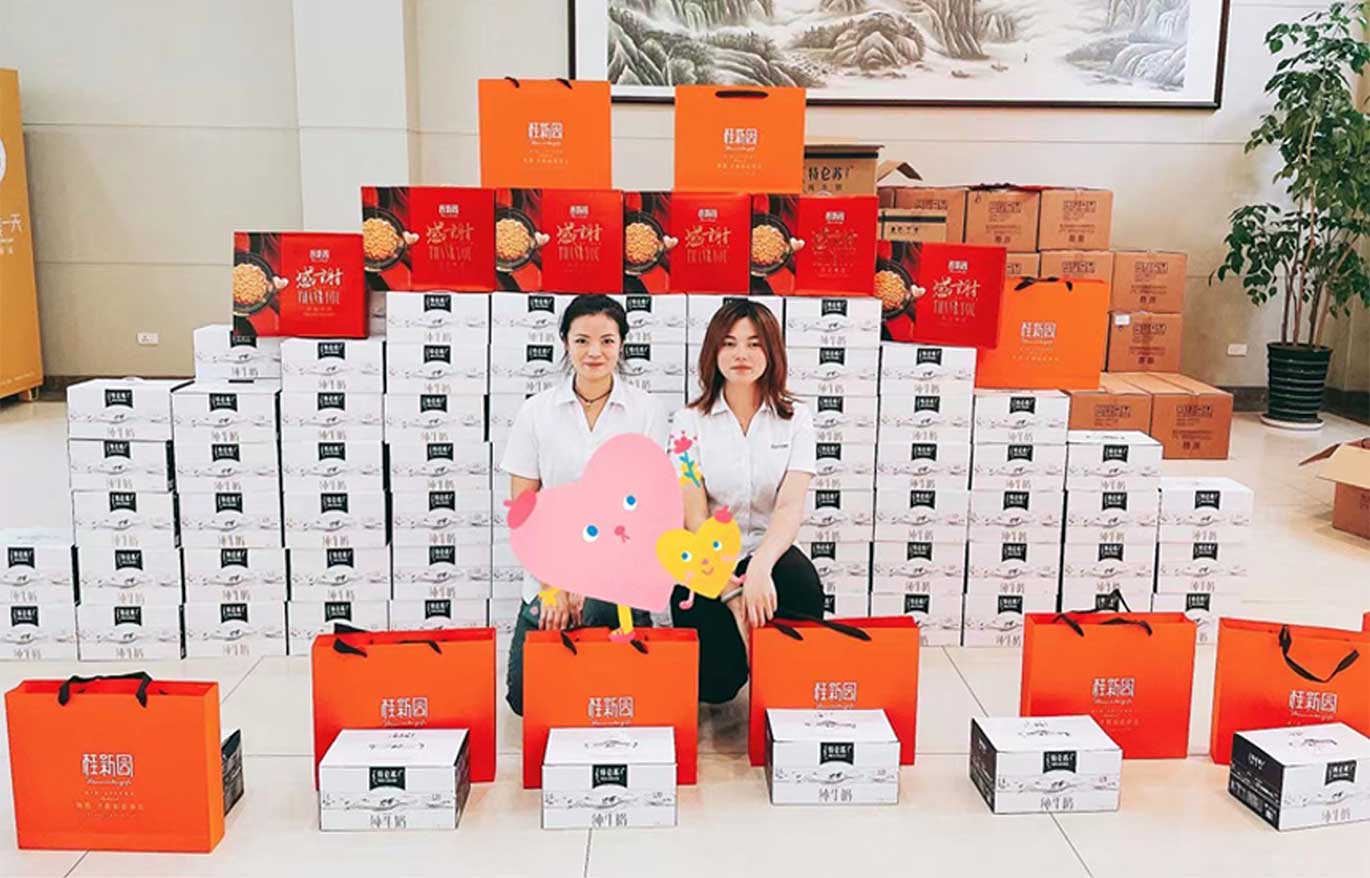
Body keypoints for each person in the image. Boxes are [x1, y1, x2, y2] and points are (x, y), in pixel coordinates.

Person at [500, 294, 668, 715]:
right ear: (565, 342)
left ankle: (605, 680)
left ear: (622, 344)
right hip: (549, 571)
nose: (595, 352)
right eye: (582, 340)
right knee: (524, 700)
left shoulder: (647, 412)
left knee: (598, 611)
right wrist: (553, 583)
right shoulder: (536, 412)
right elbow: (524, 509)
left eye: (607, 341)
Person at [667, 298, 824, 704]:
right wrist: (732, 593)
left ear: (772, 353)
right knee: (715, 687)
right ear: (713, 350)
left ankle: (782, 678)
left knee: (801, 584)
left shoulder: (797, 419)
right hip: (710, 556)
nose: (741, 355)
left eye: (754, 344)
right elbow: (694, 516)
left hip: (768, 551)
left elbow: (789, 506)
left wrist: (759, 568)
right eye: (730, 343)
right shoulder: (688, 422)